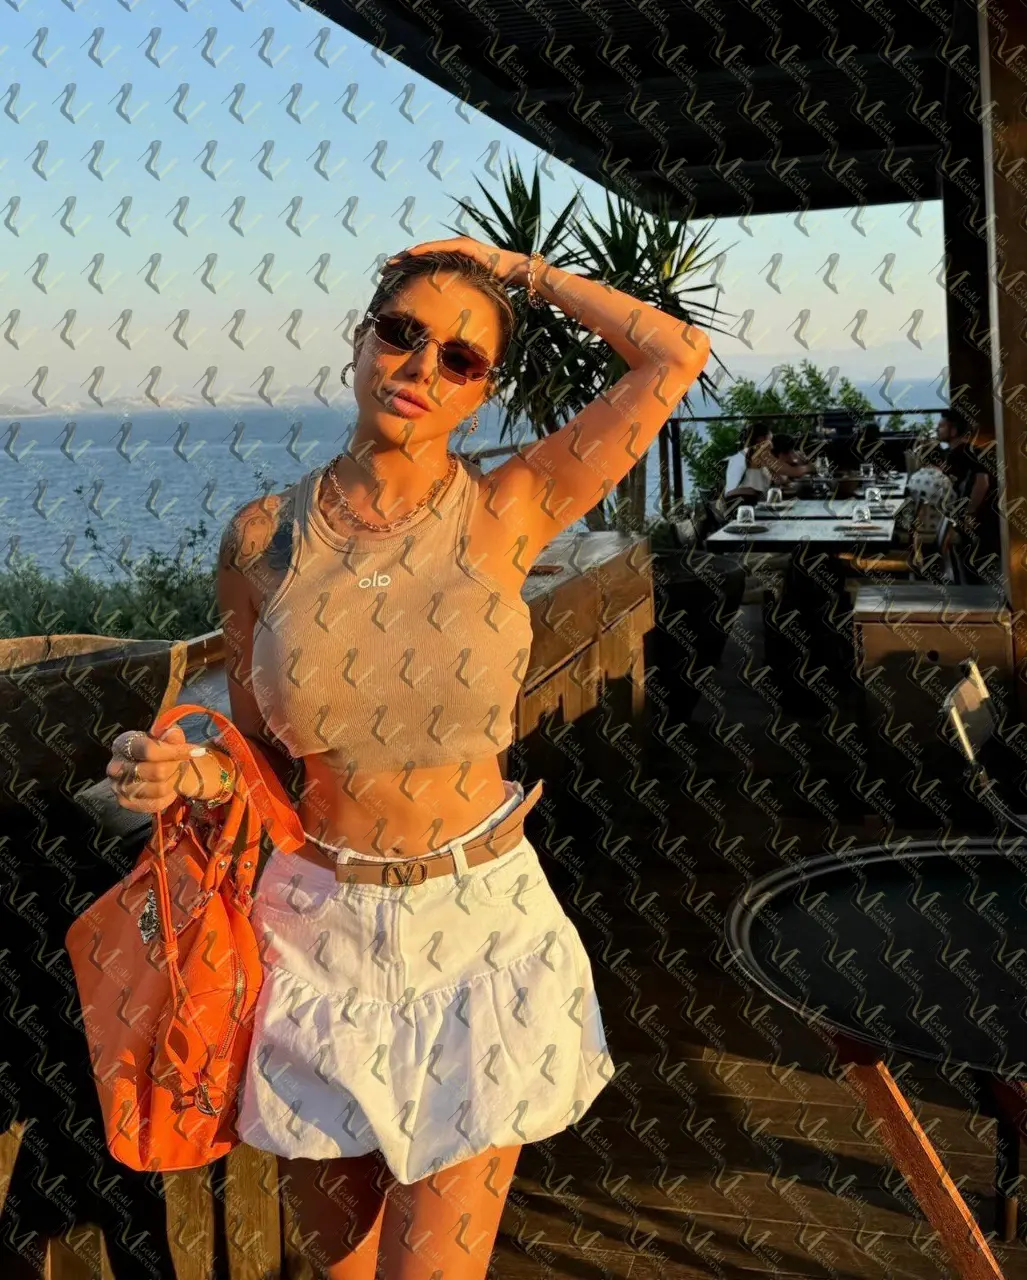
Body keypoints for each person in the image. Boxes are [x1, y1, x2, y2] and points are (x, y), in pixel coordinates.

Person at [104, 237, 710, 1279]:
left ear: (481, 391)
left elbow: (673, 356)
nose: (422, 366)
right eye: (402, 333)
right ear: (360, 341)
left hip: (475, 932)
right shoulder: (260, 539)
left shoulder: (508, 506)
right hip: (312, 936)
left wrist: (515, 270)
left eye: (461, 358)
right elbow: (257, 755)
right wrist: (188, 770)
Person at [936, 407, 1001, 576]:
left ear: (954, 430)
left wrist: (970, 513)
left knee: (970, 570)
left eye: (941, 426)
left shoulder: (966, 453)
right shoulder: (959, 452)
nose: (937, 429)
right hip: (967, 518)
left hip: (979, 523)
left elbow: (982, 482)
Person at [723, 419, 773, 500]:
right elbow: (755, 490)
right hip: (749, 501)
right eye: (770, 439)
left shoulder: (739, 455)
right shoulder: (754, 454)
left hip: (734, 501)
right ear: (761, 439)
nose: (771, 444)